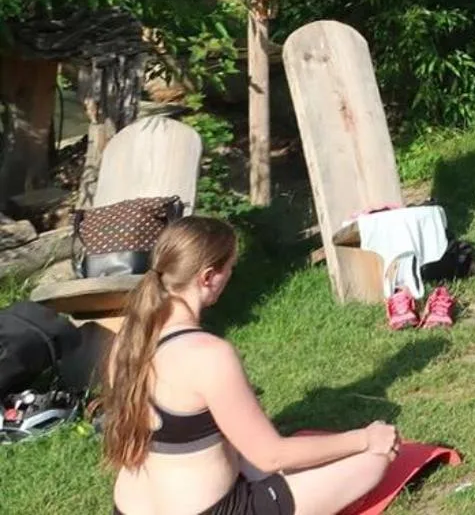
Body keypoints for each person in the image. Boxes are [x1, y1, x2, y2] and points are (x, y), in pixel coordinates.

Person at [104, 217, 398, 515]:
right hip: (216, 510)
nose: (231, 275)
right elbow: (271, 455)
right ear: (208, 277)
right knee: (376, 458)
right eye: (230, 267)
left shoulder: (128, 341)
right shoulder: (208, 355)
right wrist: (364, 438)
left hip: (128, 508)